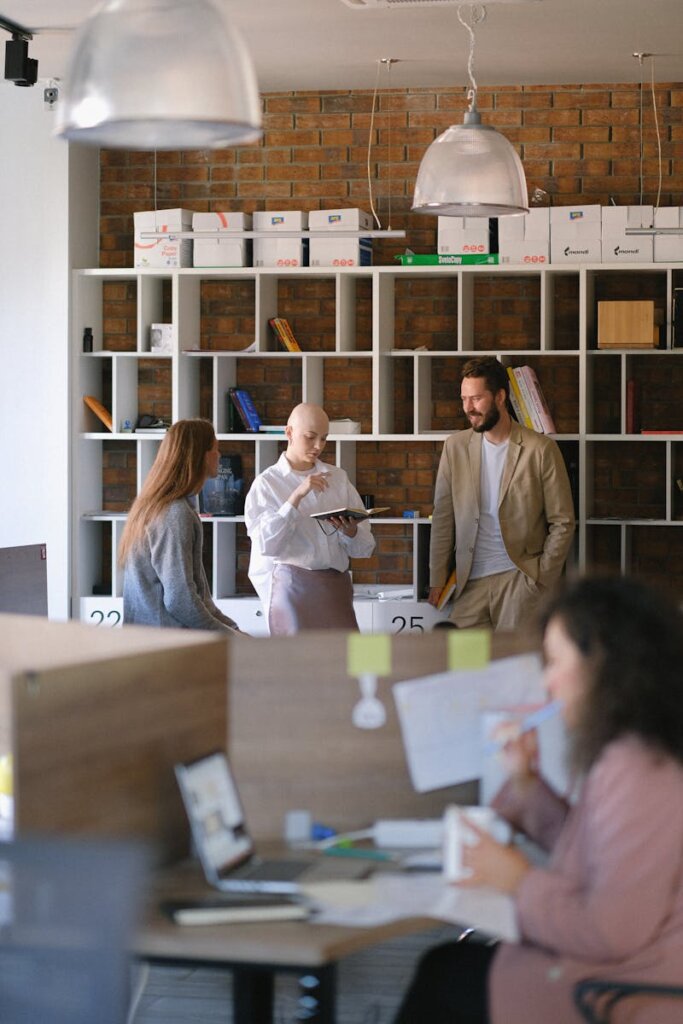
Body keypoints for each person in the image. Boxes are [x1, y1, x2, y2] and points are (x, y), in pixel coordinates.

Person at [394, 575, 683, 1024]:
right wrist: (526, 783)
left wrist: (517, 879)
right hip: (621, 972)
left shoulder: (640, 766)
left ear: (603, 664)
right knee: (445, 968)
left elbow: (609, 930)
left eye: (553, 662)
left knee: (443, 975)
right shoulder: (639, 751)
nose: (547, 683)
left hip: (621, 989)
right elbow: (598, 853)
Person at [428, 356, 575, 630]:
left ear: (500, 397)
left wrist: (542, 579)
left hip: (521, 580)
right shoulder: (455, 447)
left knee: (516, 666)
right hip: (468, 582)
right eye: (463, 399)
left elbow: (563, 521)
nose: (468, 408)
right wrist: (437, 578)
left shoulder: (540, 449)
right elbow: (443, 517)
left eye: (476, 399)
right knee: (465, 666)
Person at [244, 402, 375, 634]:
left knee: (342, 665)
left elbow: (365, 549)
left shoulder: (338, 478)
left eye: (324, 439)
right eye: (310, 437)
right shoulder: (267, 483)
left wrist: (350, 530)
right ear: (289, 432)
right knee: (296, 665)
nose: (318, 446)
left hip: (336, 588)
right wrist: (296, 497)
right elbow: (266, 545)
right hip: (292, 590)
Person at [119, 418, 242, 633]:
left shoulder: (167, 507)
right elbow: (180, 601)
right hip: (165, 650)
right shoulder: (175, 515)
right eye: (216, 449)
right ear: (201, 456)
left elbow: (198, 597)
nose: (219, 456)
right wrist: (231, 637)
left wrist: (233, 630)